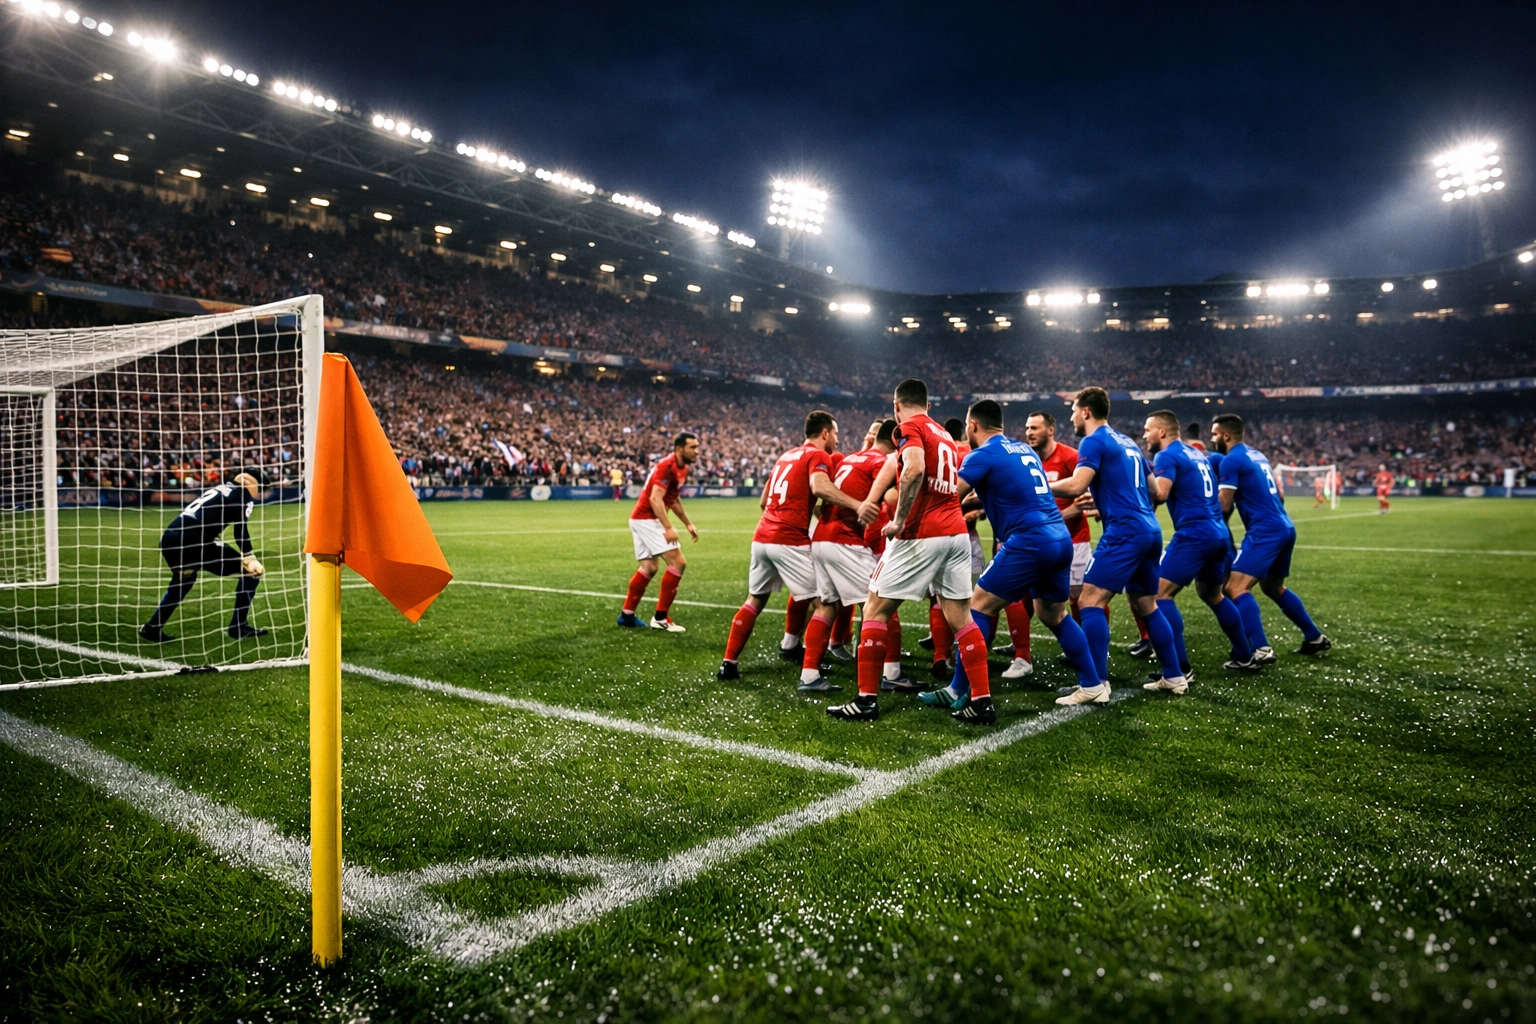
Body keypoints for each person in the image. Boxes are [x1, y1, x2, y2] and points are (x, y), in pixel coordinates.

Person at [921, 401, 1103, 723]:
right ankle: (1092, 683)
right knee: (1053, 613)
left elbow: (951, 496)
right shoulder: (1023, 450)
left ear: (973, 425)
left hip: (1028, 540)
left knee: (975, 606)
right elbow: (1008, 488)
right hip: (1059, 538)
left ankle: (957, 689)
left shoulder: (982, 455)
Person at [827, 378, 977, 722]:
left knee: (875, 607)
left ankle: (866, 700)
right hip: (955, 531)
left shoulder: (908, 427)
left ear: (896, 407)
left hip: (922, 531)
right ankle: (981, 699)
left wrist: (898, 519)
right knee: (961, 617)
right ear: (929, 404)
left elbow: (913, 469)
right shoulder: (942, 433)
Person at [1049, 387, 1187, 704]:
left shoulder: (1093, 440)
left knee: (1089, 601)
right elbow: (1156, 492)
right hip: (1149, 530)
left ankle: (1094, 684)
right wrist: (1111, 508)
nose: (1071, 415)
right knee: (1146, 604)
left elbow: (1076, 485)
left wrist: (1036, 484)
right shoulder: (1128, 442)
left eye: (1073, 409)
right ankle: (1174, 676)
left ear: (1086, 411)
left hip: (1125, 532)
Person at [719, 412, 847, 685]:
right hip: (788, 539)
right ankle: (810, 675)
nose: (837, 439)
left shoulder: (786, 455)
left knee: (755, 599)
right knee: (826, 604)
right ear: (825, 433)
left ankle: (729, 663)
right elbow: (820, 487)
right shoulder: (819, 456)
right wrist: (857, 505)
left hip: (762, 536)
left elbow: (764, 501)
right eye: (835, 433)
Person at [1142, 410, 1261, 685]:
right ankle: (1245, 656)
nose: (1144, 435)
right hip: (1219, 532)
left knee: (1159, 595)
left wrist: (1138, 474)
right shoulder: (1196, 454)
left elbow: (1160, 492)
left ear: (1162, 432)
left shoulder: (1167, 455)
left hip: (1195, 533)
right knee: (1213, 594)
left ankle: (1181, 668)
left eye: (1148, 430)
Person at [798, 419, 914, 692]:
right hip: (845, 541)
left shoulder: (850, 458)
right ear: (895, 442)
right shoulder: (880, 462)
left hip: (822, 538)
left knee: (827, 605)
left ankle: (809, 675)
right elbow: (892, 499)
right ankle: (892, 672)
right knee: (881, 605)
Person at [1211, 414, 1332, 658]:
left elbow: (1224, 505)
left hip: (1265, 530)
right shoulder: (1258, 455)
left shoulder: (1230, 461)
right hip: (1285, 525)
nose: (1212, 440)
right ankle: (1314, 637)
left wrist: (1217, 531)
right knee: (1273, 587)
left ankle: (1260, 648)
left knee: (1235, 587)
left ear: (1226, 435)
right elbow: (1282, 496)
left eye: (1214, 434)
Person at [139, 471, 268, 642]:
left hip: (170, 539)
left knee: (184, 581)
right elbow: (240, 530)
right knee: (251, 572)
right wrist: (249, 556)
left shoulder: (221, 488)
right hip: (194, 542)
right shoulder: (243, 495)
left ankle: (152, 628)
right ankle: (238, 626)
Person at [618, 433, 700, 632]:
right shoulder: (667, 465)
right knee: (678, 562)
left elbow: (672, 498)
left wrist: (687, 523)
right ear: (680, 449)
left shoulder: (683, 468)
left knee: (649, 567)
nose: (697, 451)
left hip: (641, 519)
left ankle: (626, 615)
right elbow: (656, 499)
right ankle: (661, 618)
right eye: (692, 447)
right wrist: (668, 527)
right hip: (647, 519)